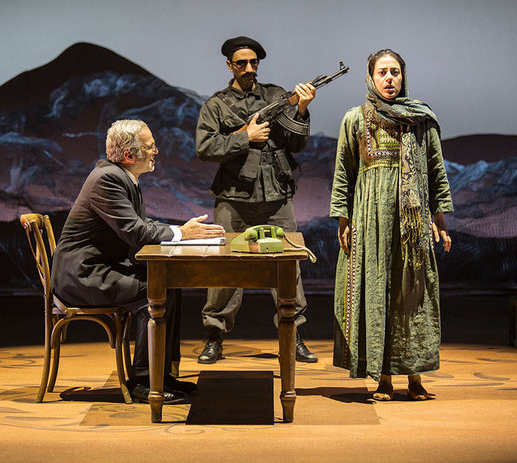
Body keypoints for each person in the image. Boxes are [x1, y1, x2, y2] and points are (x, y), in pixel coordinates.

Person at [51, 119, 225, 403]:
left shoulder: (121, 177)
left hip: (98, 269)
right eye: (150, 146)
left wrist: (182, 232)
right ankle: (144, 382)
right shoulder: (108, 179)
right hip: (83, 277)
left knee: (170, 284)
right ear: (130, 155)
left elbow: (140, 223)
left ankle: (162, 374)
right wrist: (182, 232)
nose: (156, 151)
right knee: (155, 293)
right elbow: (135, 232)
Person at [329, 49, 453, 401]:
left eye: (395, 72)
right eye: (382, 72)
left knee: (412, 294)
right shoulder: (355, 119)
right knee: (377, 293)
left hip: (411, 225)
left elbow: (435, 171)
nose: (389, 79)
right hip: (371, 222)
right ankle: (382, 377)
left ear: (403, 76)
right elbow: (344, 173)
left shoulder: (420, 120)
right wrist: (344, 219)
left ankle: (414, 377)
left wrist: (439, 220)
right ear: (370, 76)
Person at [195, 36, 318, 364]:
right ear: (229, 65)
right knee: (225, 270)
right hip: (234, 198)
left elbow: (296, 143)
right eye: (242, 63)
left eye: (254, 63)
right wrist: (243, 137)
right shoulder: (217, 105)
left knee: (287, 268)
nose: (249, 69)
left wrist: (302, 108)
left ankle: (293, 335)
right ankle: (214, 334)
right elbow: (205, 147)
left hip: (276, 195)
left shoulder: (277, 96)